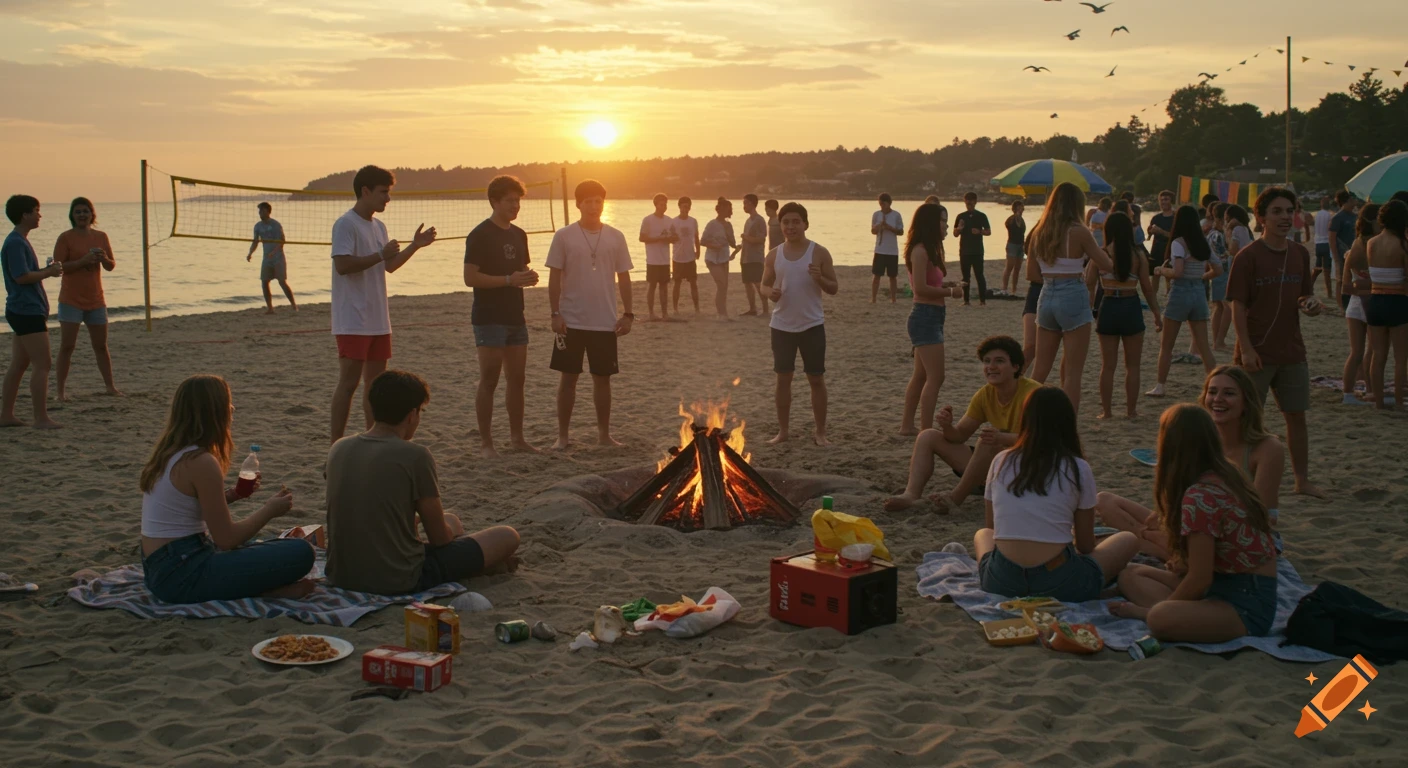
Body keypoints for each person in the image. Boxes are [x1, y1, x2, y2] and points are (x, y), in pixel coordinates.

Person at [325, 370, 520, 595]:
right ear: (411, 415)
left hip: (341, 574)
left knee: (452, 519)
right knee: (507, 536)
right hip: (397, 578)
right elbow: (439, 538)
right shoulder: (415, 455)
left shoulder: (338, 447)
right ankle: (481, 566)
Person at [1108, 404, 1279, 643]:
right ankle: (1183, 613)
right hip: (1221, 584)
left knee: (1160, 617)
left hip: (1245, 604)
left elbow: (1200, 578)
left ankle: (1155, 613)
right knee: (1130, 574)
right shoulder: (1224, 472)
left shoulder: (1200, 496)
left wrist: (1160, 609)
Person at [139, 374, 315, 603]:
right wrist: (269, 510)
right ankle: (263, 592)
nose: (232, 409)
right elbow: (227, 539)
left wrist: (231, 496)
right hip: (182, 574)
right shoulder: (201, 462)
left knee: (268, 547)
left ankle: (257, 587)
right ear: (215, 413)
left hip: (160, 568)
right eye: (228, 404)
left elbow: (182, 510)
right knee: (301, 553)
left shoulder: (170, 453)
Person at [1098, 365, 1284, 560]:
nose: (1218, 399)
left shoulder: (1267, 448)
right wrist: (1160, 521)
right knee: (1104, 501)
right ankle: (1154, 544)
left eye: (1229, 393)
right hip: (1191, 524)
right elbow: (1174, 497)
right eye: (1212, 392)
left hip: (1237, 534)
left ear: (1246, 402)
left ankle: (1151, 545)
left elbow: (1262, 517)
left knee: (1125, 539)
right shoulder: (1198, 439)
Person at [974, 387, 1140, 601]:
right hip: (1059, 582)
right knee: (1128, 539)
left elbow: (993, 528)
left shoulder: (1001, 460)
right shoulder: (1077, 467)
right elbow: (1085, 545)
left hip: (1002, 581)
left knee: (983, 534)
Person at [1226, 187, 1324, 498]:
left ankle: (1301, 480)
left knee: (1296, 416)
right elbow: (1237, 306)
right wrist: (1247, 349)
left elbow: (1303, 296)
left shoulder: (1299, 253)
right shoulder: (1248, 257)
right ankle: (1242, 481)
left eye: (1289, 211)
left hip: (1292, 350)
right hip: (1255, 353)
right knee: (1247, 421)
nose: (1285, 218)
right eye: (1277, 212)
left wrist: (1312, 305)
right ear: (1261, 217)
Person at [329, 165, 438, 443]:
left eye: (388, 193)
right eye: (383, 192)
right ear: (365, 191)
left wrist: (415, 245)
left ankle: (374, 440)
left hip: (378, 318)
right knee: (349, 384)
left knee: (375, 387)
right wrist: (379, 254)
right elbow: (342, 266)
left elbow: (389, 266)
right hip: (353, 318)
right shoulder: (345, 223)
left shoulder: (379, 225)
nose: (387, 198)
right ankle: (335, 446)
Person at [884, 335, 1040, 513]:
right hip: (992, 471)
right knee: (928, 436)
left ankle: (955, 498)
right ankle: (911, 494)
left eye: (999, 361)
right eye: (987, 361)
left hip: (1028, 471)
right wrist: (947, 426)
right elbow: (959, 436)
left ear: (1016, 367)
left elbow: (1044, 440)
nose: (991, 367)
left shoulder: (1034, 394)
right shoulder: (985, 394)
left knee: (989, 439)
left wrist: (1001, 437)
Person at [547, 179, 634, 449]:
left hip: (605, 322)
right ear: (579, 204)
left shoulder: (616, 236)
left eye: (598, 200)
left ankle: (604, 436)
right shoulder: (564, 235)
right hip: (571, 320)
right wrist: (555, 314)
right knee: (568, 380)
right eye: (588, 201)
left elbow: (625, 277)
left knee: (602, 380)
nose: (594, 206)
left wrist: (628, 314)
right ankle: (562, 437)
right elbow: (554, 277)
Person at [463, 175, 540, 458]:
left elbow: (519, 271)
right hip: (488, 316)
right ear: (494, 201)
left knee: (517, 379)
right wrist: (509, 279)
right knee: (490, 379)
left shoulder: (519, 234)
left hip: (515, 315)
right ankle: (487, 444)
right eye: (510, 201)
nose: (515, 206)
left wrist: (528, 277)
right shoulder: (480, 234)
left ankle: (517, 439)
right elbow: (470, 277)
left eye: (518, 201)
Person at [1027, 182, 1113, 414]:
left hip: (1046, 295)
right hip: (1072, 294)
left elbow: (1031, 274)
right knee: (1073, 373)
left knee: (1040, 371)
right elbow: (1105, 263)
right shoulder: (1079, 231)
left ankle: (1025, 418)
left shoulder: (1039, 231)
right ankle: (1068, 427)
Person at [762, 202, 838, 446]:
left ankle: (820, 433)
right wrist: (769, 293)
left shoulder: (819, 252)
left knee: (816, 379)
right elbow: (763, 284)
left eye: (796, 222)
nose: (791, 226)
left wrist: (820, 278)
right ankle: (783, 432)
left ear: (805, 223)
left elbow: (834, 288)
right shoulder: (773, 254)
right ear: (780, 225)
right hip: (781, 326)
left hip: (812, 325)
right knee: (783, 379)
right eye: (786, 222)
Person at [900, 202, 966, 436]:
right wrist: (951, 293)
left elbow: (930, 283)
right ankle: (925, 429)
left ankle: (908, 426)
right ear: (930, 223)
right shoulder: (920, 250)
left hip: (933, 315)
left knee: (921, 375)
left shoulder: (929, 250)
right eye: (943, 221)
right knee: (936, 377)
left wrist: (948, 285)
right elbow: (919, 288)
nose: (947, 226)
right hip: (924, 316)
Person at [1089, 211, 1161, 419]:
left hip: (1109, 305)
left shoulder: (1101, 254)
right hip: (1130, 305)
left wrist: (1090, 308)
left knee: (1108, 366)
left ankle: (1107, 412)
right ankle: (1131, 411)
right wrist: (1156, 312)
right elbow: (1147, 288)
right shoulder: (1138, 255)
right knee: (1133, 365)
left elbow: (1088, 283)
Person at [2, 195, 62, 429]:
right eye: (36, 211)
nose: (39, 215)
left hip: (24, 309)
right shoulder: (16, 242)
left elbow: (25, 274)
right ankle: (41, 418)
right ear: (25, 214)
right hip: (25, 311)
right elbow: (22, 277)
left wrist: (46, 270)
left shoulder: (19, 241)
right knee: (43, 364)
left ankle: (6, 415)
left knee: (19, 363)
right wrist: (48, 272)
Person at [52, 197, 121, 401]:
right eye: (78, 212)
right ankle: (60, 392)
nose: (82, 215)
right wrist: (83, 261)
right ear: (72, 216)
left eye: (85, 211)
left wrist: (104, 259)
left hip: (96, 300)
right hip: (71, 300)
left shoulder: (101, 236)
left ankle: (110, 387)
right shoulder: (65, 238)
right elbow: (58, 267)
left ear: (92, 215)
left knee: (101, 346)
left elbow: (111, 265)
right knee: (67, 346)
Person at [1147, 205, 1220, 395]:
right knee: (1204, 347)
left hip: (1180, 293)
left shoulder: (1178, 243)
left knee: (1167, 345)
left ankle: (1160, 386)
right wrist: (1201, 277)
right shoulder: (1203, 242)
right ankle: (1214, 387)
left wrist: (1161, 270)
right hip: (1198, 293)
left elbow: (1177, 272)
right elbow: (1218, 269)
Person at [1364, 200, 1408, 410]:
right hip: (1398, 301)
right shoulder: (1403, 244)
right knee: (1400, 358)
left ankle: (1379, 402)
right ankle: (1399, 402)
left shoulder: (1371, 242)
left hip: (1375, 301)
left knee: (1378, 355)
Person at [1338, 203, 1379, 406]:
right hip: (1372, 304)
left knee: (1356, 352)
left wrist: (1360, 286)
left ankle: (1348, 393)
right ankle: (1370, 390)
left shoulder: (1355, 244)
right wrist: (1370, 287)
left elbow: (1346, 286)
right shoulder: (1376, 244)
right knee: (1371, 352)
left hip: (1354, 305)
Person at [247, 202, 297, 314]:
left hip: (278, 257)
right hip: (266, 258)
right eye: (259, 211)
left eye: (262, 211)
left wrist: (273, 252)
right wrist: (250, 253)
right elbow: (255, 241)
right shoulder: (258, 226)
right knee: (264, 282)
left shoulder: (275, 225)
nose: (260, 213)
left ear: (268, 211)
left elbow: (282, 241)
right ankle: (270, 308)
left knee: (282, 282)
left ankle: (294, 306)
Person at [638, 193, 676, 322]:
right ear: (656, 205)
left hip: (665, 259)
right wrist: (658, 238)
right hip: (653, 259)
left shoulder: (669, 220)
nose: (664, 206)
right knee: (652, 285)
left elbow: (675, 237)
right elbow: (642, 238)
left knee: (664, 286)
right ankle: (651, 313)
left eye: (665, 204)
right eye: (661, 204)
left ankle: (665, 313)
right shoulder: (648, 220)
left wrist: (671, 238)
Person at [700, 197, 737, 319]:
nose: (728, 211)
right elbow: (703, 241)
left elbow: (732, 243)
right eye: (727, 208)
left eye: (729, 209)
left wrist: (728, 232)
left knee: (724, 287)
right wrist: (714, 245)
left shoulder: (729, 225)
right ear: (720, 210)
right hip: (712, 258)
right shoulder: (712, 224)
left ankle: (723, 313)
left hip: (724, 258)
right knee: (721, 284)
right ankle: (720, 314)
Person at [954, 192, 991, 306]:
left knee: (979, 275)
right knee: (965, 276)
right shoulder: (961, 216)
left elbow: (989, 231)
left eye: (971, 202)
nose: (968, 204)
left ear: (975, 202)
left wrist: (979, 231)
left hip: (977, 251)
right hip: (964, 251)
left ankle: (982, 301)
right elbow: (955, 234)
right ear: (964, 202)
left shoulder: (981, 216)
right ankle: (966, 300)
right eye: (967, 202)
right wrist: (959, 228)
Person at [1204, 203, 1232, 352]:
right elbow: (1228, 253)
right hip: (1223, 270)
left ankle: (1217, 341)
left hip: (1215, 271)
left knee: (1219, 306)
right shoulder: (1219, 234)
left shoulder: (1211, 233)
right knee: (1226, 306)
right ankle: (1219, 341)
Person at [739, 194, 769, 316]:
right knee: (747, 283)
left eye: (745, 203)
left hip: (755, 257)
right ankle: (752, 309)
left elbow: (761, 239)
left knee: (758, 283)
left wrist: (746, 238)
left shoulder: (759, 220)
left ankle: (766, 309)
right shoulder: (748, 220)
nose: (744, 206)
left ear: (751, 204)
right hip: (745, 256)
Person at [870, 193, 904, 304]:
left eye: (883, 204)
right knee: (876, 275)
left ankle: (893, 299)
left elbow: (901, 232)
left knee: (892, 276)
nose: (881, 206)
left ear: (889, 203)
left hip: (892, 250)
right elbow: (873, 231)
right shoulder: (876, 215)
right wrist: (879, 226)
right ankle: (873, 299)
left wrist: (889, 227)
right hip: (880, 249)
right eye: (880, 204)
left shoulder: (896, 215)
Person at [670, 196, 701, 314]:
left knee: (693, 283)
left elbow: (696, 237)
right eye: (683, 206)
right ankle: (675, 308)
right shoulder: (673, 221)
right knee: (677, 283)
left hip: (690, 257)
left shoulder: (693, 221)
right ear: (679, 207)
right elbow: (670, 238)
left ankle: (697, 308)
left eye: (687, 207)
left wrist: (698, 251)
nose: (685, 209)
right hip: (678, 257)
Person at [1328, 191, 1359, 306]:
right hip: (1341, 255)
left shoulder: (1356, 216)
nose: (1355, 200)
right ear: (1347, 200)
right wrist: (1336, 258)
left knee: (1352, 280)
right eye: (1353, 198)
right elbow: (1332, 239)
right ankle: (1341, 306)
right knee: (1340, 280)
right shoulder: (1337, 218)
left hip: (1353, 254)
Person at [1145, 190, 1177, 296]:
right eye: (1161, 200)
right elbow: (1149, 236)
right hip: (1156, 249)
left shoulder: (1175, 217)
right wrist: (1149, 232)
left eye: (1166, 199)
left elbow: (1175, 237)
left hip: (1170, 249)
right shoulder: (1156, 218)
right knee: (1155, 274)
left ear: (1171, 201)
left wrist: (1161, 231)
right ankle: (1153, 296)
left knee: (1169, 275)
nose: (1163, 202)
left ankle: (1170, 295)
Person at [1002, 201, 1026, 295]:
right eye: (1020, 207)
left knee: (1017, 268)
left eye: (1022, 207)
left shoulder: (1022, 220)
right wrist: (1016, 216)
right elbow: (1008, 225)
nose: (1022, 209)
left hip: (1020, 245)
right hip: (1012, 245)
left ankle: (1014, 289)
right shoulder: (1011, 219)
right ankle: (1004, 288)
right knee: (1009, 267)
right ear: (1016, 208)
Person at [1313, 196, 1334, 293]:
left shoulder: (1317, 215)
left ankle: (1309, 285)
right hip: (1326, 243)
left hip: (1318, 243)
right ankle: (1329, 291)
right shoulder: (1330, 215)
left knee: (1317, 268)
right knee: (1327, 270)